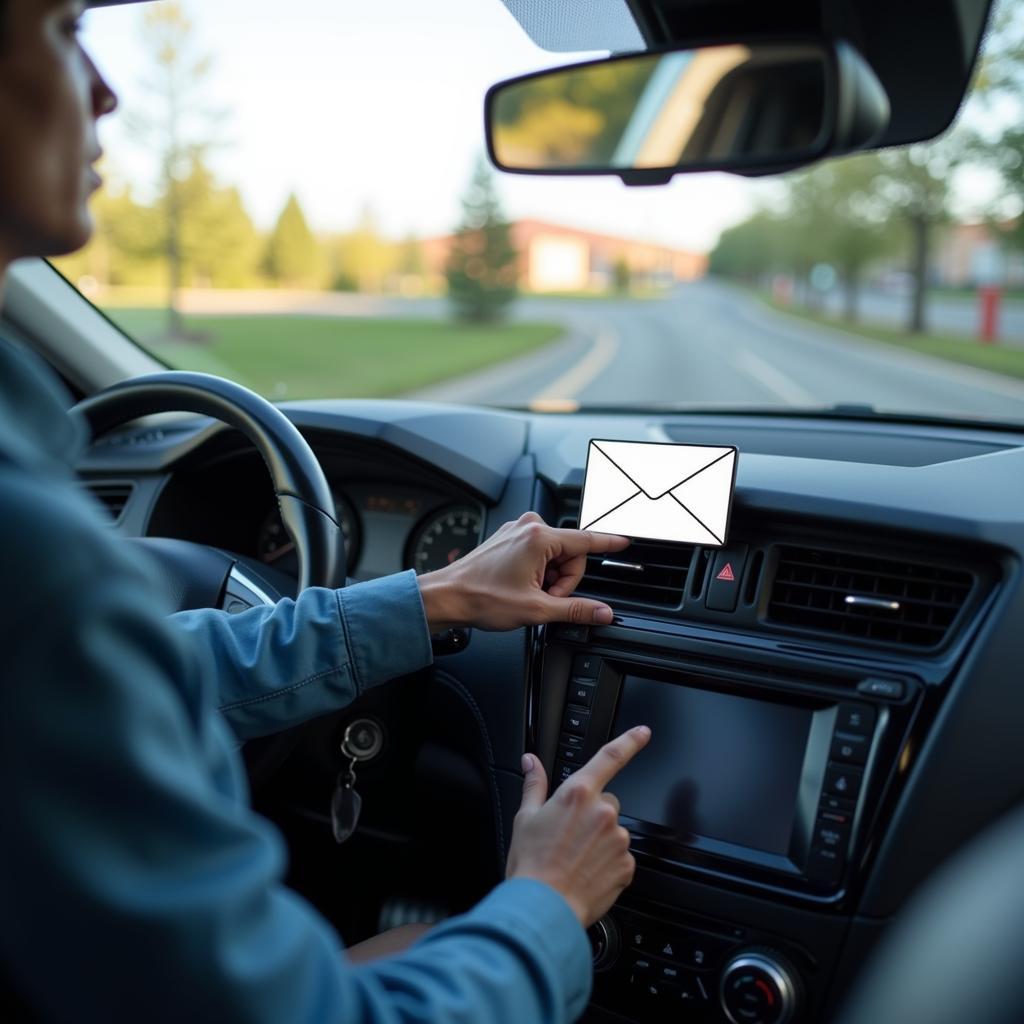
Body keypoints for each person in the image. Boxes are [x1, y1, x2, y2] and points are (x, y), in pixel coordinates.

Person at [0, 2, 652, 1021]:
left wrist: (434, 595)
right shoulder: (31, 556)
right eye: (63, 28)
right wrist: (545, 902)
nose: (107, 88)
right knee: (446, 940)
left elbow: (148, 675)